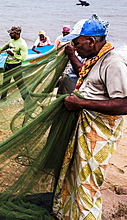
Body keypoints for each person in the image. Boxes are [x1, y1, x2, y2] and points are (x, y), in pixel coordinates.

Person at [52, 19, 127, 219]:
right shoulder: (94, 58)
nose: (75, 48)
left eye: (77, 44)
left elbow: (124, 104)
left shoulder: (113, 62)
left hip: (99, 133)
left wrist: (81, 104)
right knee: (75, 174)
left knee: (88, 180)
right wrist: (70, 56)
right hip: (85, 127)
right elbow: (85, 76)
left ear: (92, 41)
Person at [0, 26, 28, 100]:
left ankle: (27, 99)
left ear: (17, 33)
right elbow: (6, 46)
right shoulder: (11, 40)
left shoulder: (22, 44)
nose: (9, 34)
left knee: (20, 84)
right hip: (8, 64)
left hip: (16, 66)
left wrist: (13, 54)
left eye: (11, 33)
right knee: (5, 83)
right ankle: (3, 99)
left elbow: (23, 58)